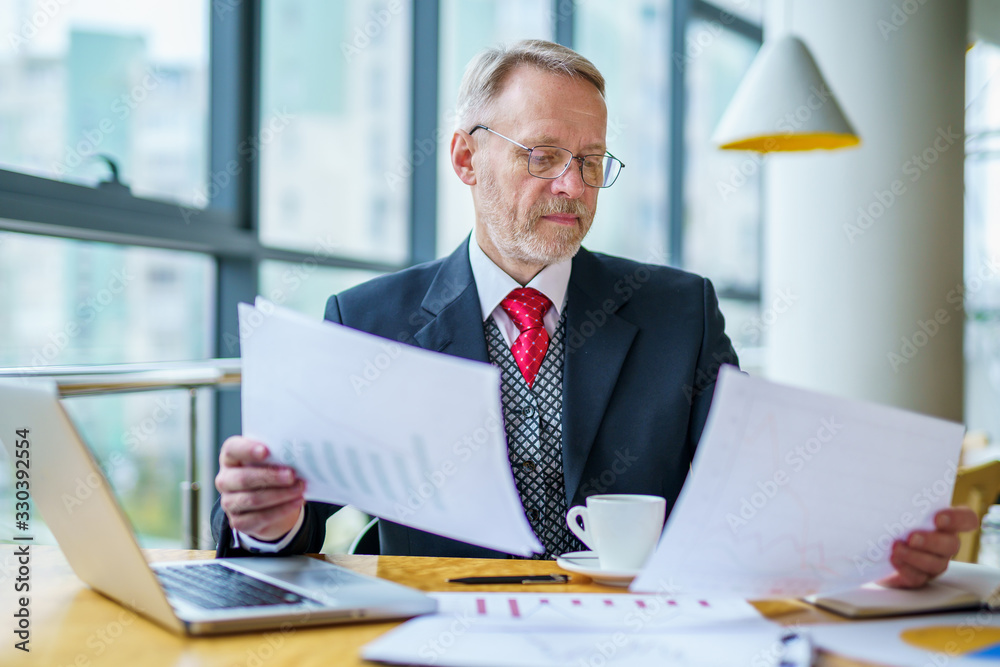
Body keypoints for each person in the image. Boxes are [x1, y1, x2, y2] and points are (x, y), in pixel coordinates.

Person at [213, 39, 976, 586]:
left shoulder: (680, 311)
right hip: (441, 637)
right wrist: (264, 516)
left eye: (589, 160)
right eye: (541, 155)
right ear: (464, 158)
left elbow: (754, 493)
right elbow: (296, 523)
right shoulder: (369, 318)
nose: (572, 186)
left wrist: (875, 546)